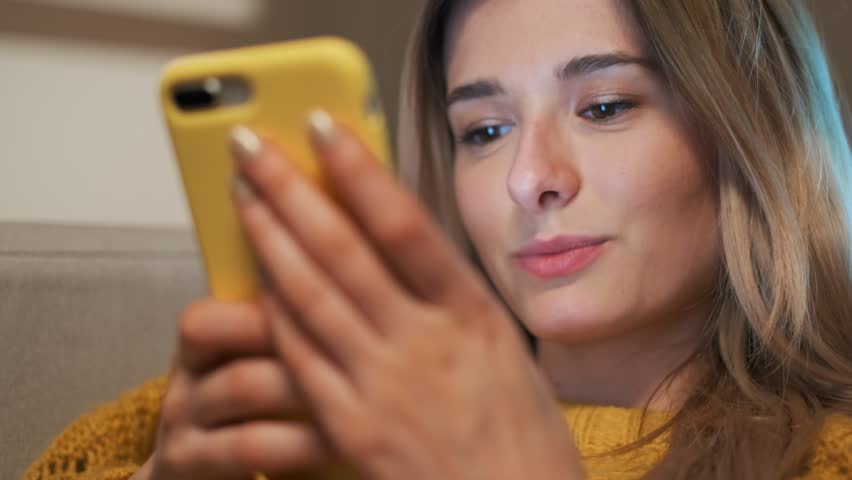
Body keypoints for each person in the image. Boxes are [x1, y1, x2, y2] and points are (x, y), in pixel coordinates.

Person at [25, 0, 852, 479]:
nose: (529, 178)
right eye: (485, 129)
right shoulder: (268, 396)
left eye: (604, 107)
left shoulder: (827, 458)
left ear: (746, 134)